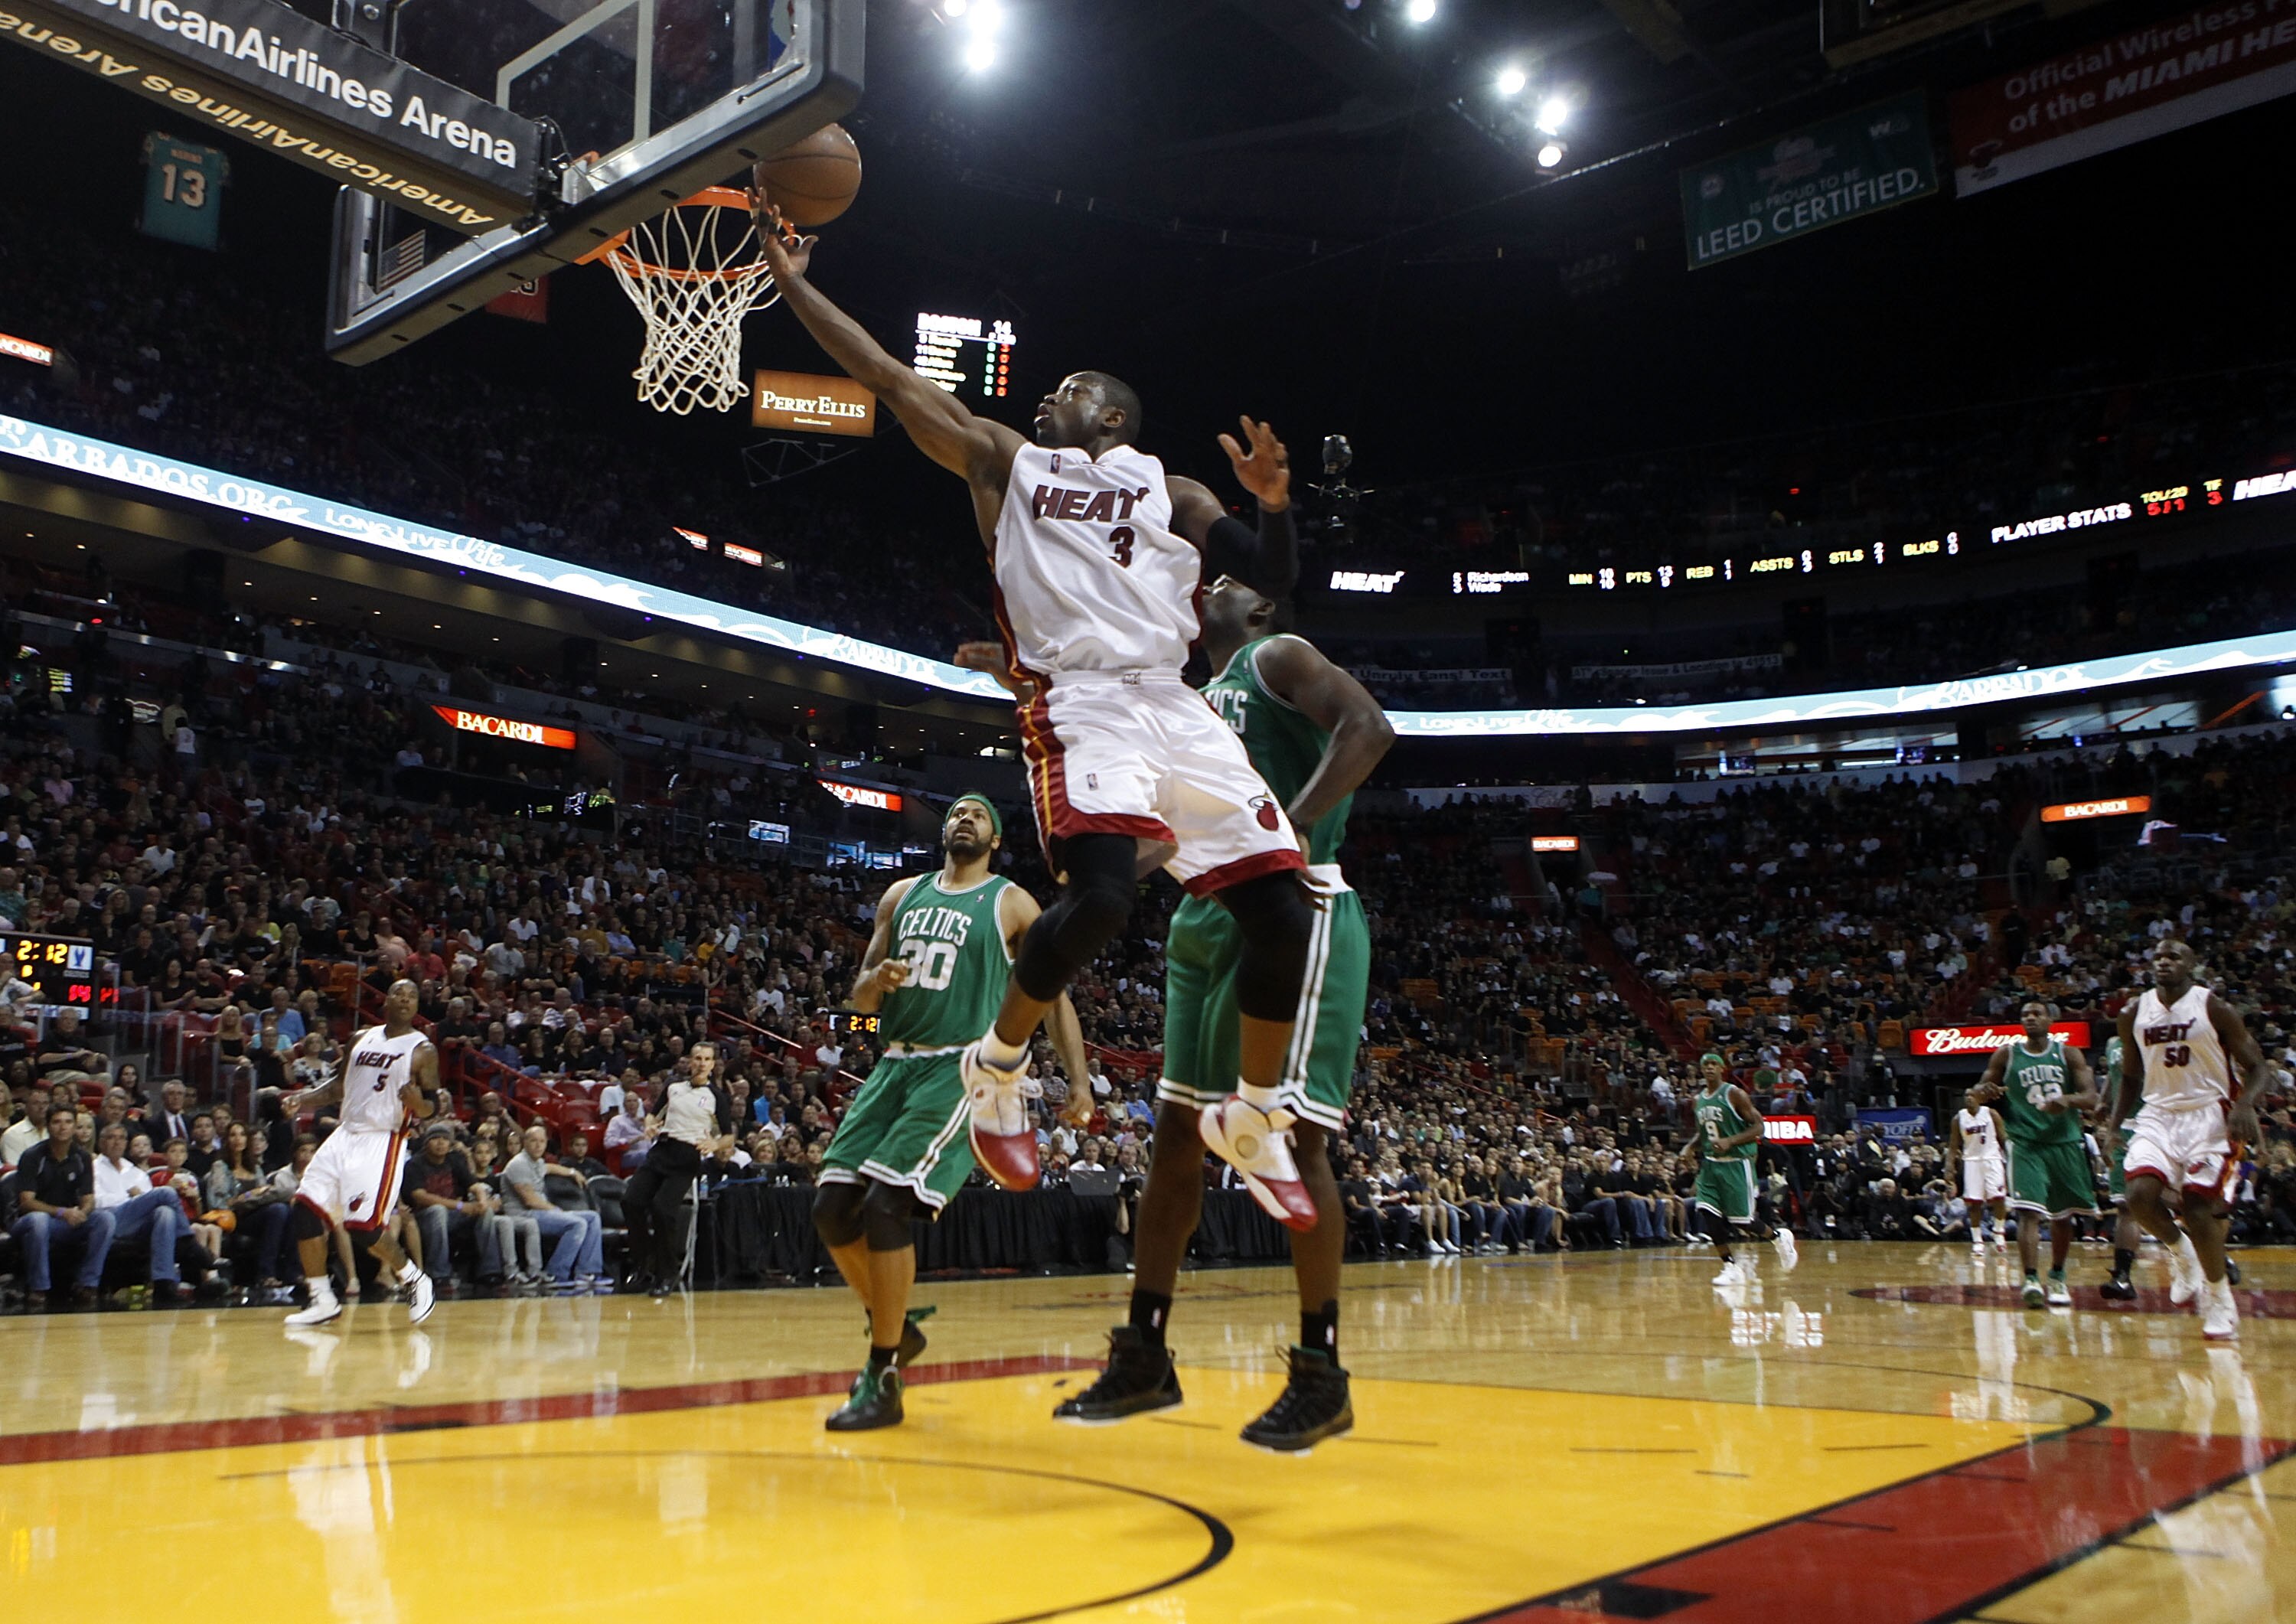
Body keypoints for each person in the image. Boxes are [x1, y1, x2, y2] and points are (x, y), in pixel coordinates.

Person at [755, 217, 1319, 1231]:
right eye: (965, 816)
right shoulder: (1005, 461)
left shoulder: (1174, 490)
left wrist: (1275, 506)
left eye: (1066, 389)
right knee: (1098, 899)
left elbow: (1274, 577)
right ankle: (994, 1068)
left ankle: (1258, 1110)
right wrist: (794, 285)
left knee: (1286, 903)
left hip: (1168, 700)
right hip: (903, 1038)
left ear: (1109, 414)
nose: (1044, 396)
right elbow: (887, 374)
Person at [966, 579, 1388, 1446]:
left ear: (1266, 606)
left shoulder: (1279, 657)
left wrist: (1289, 828)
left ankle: (1322, 1368)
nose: (1212, 584)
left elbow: (1370, 728)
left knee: (1294, 1138)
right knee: (1174, 1141)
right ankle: (1146, 1352)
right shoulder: (1180, 702)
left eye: (1231, 582)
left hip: (1292, 901)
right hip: (1205, 914)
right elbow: (1162, 826)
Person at [812, 794, 1092, 1430]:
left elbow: (1053, 996)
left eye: (979, 814)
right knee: (831, 1209)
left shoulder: (1013, 902)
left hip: (962, 1067)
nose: (964, 818)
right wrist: (875, 981)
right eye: (957, 812)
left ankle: (882, 1373)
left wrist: (1079, 1082)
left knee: (886, 1205)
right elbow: (860, 997)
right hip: (893, 1064)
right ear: (943, 831)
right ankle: (897, 1326)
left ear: (995, 837)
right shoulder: (900, 895)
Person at [2108, 939, 2264, 1341]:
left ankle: (2218, 1298)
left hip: (2209, 1114)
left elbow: (2258, 1066)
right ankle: (2183, 1254)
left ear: (2191, 964)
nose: (2164, 962)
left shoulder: (2213, 1007)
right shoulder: (2133, 1012)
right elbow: (2129, 1076)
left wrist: (2246, 1103)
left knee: (2198, 1208)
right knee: (2139, 1195)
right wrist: (2112, 1126)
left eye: (2174, 956)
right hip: (2158, 1113)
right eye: (2158, 956)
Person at [279, 978, 437, 1329]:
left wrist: (418, 1105)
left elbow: (434, 1105)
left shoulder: (423, 1050)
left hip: (382, 1140)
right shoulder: (360, 1039)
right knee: (304, 1209)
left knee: (363, 1227)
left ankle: (414, 1278)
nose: (406, 1000)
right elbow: (338, 1087)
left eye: (413, 996)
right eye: (400, 993)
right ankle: (322, 1299)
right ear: (388, 999)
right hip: (344, 1133)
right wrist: (301, 1099)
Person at [1978, 1000, 2099, 1309]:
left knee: (2063, 1215)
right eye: (2025, 1015)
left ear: (2050, 1020)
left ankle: (2057, 1275)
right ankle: (2031, 1279)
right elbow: (1978, 1090)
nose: (2030, 1018)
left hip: (2065, 1141)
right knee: (2028, 1212)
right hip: (2026, 1143)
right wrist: (1982, 1093)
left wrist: (2068, 1100)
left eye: (2037, 1014)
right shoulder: (2007, 1054)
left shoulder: (2068, 1053)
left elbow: (2091, 1097)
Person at [623, 1042, 734, 1299]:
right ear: (690, 1061)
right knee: (631, 1201)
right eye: (698, 1058)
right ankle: (643, 1261)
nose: (702, 1063)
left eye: (707, 1059)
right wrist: (650, 1125)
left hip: (687, 1157)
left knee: (663, 1210)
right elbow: (653, 1115)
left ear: (713, 1064)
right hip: (661, 1150)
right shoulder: (673, 1086)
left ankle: (666, 1273)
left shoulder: (717, 1096)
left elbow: (729, 1136)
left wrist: (715, 1144)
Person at [1692, 1055, 1797, 1286]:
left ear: (1722, 1069)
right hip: (1710, 1165)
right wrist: (1690, 1147)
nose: (1709, 1068)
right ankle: (1730, 1266)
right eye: (1705, 1065)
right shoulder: (1698, 1099)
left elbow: (1759, 1127)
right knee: (1709, 1215)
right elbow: (1704, 1132)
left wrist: (1731, 1141)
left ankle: (1779, 1238)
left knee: (1742, 1221)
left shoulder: (1734, 1094)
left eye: (1713, 1065)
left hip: (1736, 1164)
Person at [9, 1104, 107, 1309]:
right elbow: (27, 1202)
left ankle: (87, 1284)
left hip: (67, 1222)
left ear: (74, 1127)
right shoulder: (33, 1156)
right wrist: (62, 1212)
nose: (63, 1127)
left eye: (68, 1122)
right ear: (48, 1126)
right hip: (29, 1221)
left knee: (105, 1219)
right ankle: (39, 1288)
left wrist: (82, 1213)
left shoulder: (81, 1157)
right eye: (57, 1122)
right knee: (39, 1221)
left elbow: (89, 1198)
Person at [504, 1122, 608, 1290]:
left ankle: (587, 1272)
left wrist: (573, 1172)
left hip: (540, 1211)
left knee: (592, 1217)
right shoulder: (519, 1164)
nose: (538, 1145)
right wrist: (556, 1210)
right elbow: (530, 1200)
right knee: (577, 1223)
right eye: (533, 1141)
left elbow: (550, 1168)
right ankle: (555, 1273)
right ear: (525, 1143)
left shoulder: (536, 1162)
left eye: (542, 1141)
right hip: (525, 1214)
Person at [2095, 1030, 2145, 1301]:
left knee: (2185, 1200)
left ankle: (2216, 1258)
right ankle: (2123, 1277)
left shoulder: (2155, 1037)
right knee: (2126, 1205)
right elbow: (2114, 1079)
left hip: (2156, 1122)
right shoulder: (2113, 1042)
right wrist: (2104, 1099)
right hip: (2124, 1127)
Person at [1945, 1087, 2009, 1257]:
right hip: (1971, 1162)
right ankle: (1977, 1240)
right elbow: (1953, 1147)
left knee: (1999, 1198)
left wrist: (2011, 1162)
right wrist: (1949, 1167)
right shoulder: (1959, 1118)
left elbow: (2004, 1139)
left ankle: (1999, 1231)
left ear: (1980, 1098)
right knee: (1974, 1203)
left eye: (1972, 1095)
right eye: (1966, 1095)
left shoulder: (1992, 1114)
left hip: (1993, 1159)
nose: (1969, 1098)